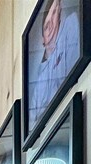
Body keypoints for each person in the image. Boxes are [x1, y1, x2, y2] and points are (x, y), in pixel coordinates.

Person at [29, 0, 80, 131]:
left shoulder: (70, 25)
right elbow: (33, 120)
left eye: (55, 14)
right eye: (46, 26)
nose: (51, 24)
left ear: (60, 17)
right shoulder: (38, 81)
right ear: (42, 39)